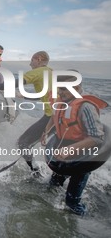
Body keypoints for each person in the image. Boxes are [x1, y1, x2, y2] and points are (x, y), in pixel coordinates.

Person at [42, 74, 105, 215]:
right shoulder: (62, 102)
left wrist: (70, 149)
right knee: (52, 187)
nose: (60, 92)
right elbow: (55, 116)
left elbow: (97, 137)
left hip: (81, 156)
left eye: (64, 89)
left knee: (71, 203)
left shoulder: (85, 107)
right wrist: (46, 131)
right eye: (59, 89)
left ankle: (84, 222)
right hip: (62, 150)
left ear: (76, 88)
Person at [16, 51, 53, 173]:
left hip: (52, 116)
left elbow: (16, 82)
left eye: (32, 60)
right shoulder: (50, 72)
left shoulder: (39, 71)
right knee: (26, 143)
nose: (30, 63)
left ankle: (36, 173)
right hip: (58, 115)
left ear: (38, 59)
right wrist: (24, 96)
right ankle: (43, 171)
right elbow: (42, 94)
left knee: (22, 143)